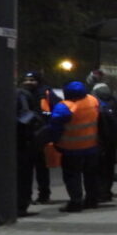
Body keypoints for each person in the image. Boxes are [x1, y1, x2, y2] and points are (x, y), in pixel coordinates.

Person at [49, 80, 101, 212]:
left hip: (71, 149)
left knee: (72, 176)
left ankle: (76, 202)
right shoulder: (92, 100)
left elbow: (55, 127)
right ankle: (92, 200)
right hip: (92, 146)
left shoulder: (64, 107)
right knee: (91, 175)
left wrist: (54, 141)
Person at [19, 71, 59, 203]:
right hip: (31, 133)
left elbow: (53, 110)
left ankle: (42, 194)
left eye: (32, 80)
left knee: (39, 166)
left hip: (40, 134)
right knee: (32, 167)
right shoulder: (24, 94)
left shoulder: (44, 93)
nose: (28, 82)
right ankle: (31, 196)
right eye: (26, 80)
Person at [92, 82, 117, 202]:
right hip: (113, 138)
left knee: (98, 167)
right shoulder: (114, 100)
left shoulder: (95, 101)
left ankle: (99, 192)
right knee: (109, 167)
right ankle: (107, 192)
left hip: (100, 139)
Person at [15, 84, 44, 217]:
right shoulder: (27, 112)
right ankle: (21, 206)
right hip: (23, 146)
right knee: (23, 178)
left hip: (13, 146)